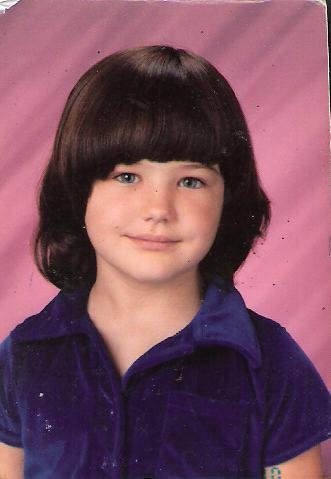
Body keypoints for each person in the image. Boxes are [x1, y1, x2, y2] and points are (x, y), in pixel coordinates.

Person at [0, 45, 329, 479]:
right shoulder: (24, 355)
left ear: (227, 199)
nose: (159, 208)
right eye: (127, 176)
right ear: (78, 190)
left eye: (191, 180)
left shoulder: (270, 362)